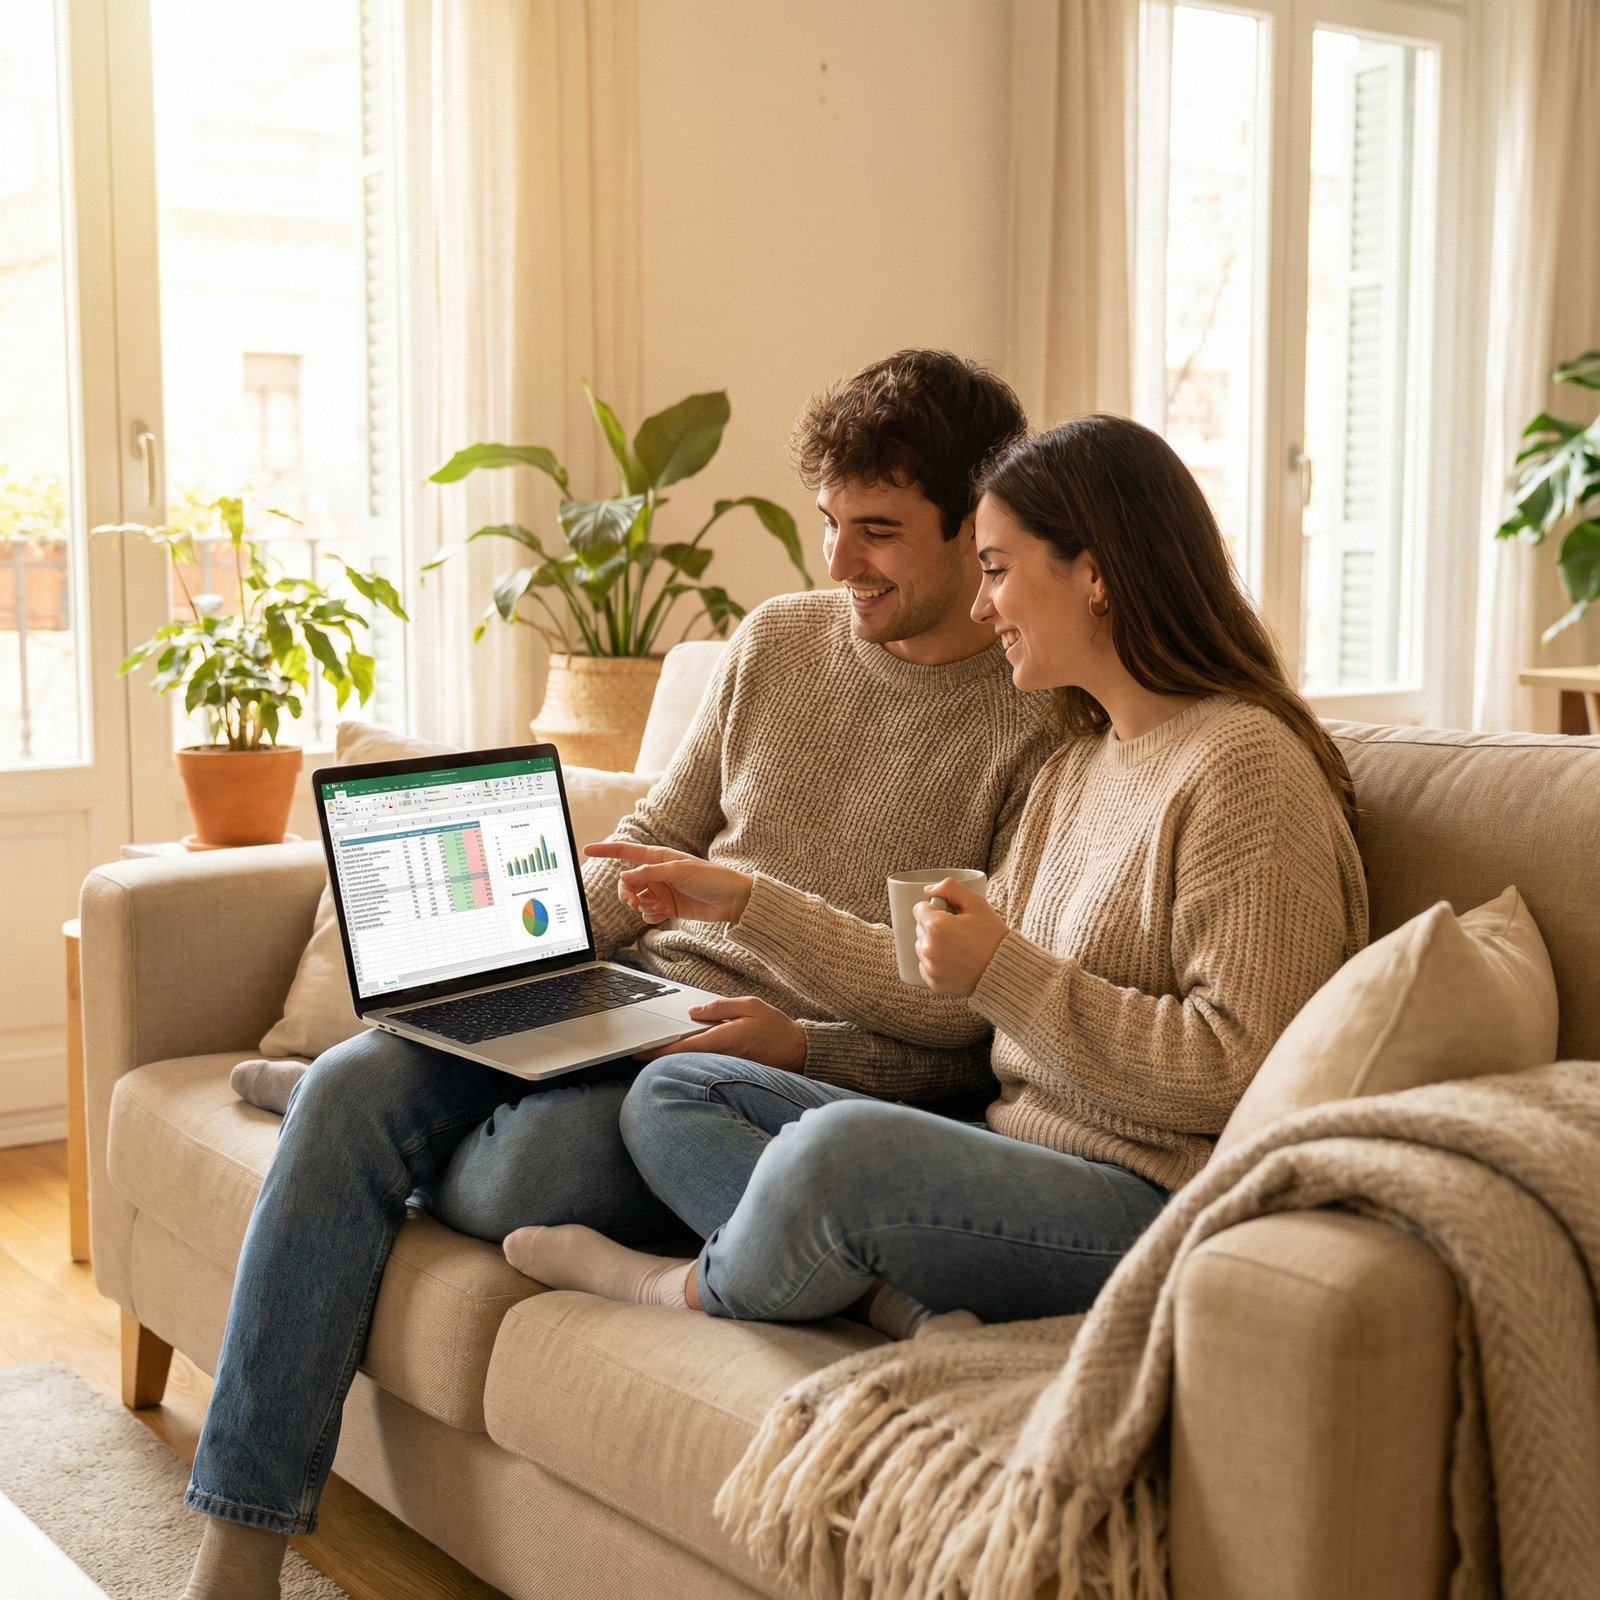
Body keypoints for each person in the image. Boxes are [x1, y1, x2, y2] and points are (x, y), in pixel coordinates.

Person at [180, 350, 1058, 1600]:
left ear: (980, 527)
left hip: (748, 1076)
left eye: (878, 532)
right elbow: (654, 838)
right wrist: (516, 956)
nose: (839, 564)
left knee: (511, 1172)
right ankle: (238, 1543)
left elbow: (973, 1017)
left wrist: (806, 1048)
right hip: (632, 992)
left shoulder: (1036, 713)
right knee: (366, 1085)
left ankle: (333, 1111)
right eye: (827, 525)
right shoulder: (779, 643)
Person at [502, 414, 1369, 1336]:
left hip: (1143, 1199)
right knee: (682, 1092)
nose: (983, 604)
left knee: (839, 1150)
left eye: (997, 570)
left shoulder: (1243, 768)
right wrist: (753, 913)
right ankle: (888, 1299)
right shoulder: (1082, 762)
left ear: (1096, 573)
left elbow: (1235, 1070)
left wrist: (1003, 971)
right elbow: (957, 1002)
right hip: (1011, 1150)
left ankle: (670, 1285)